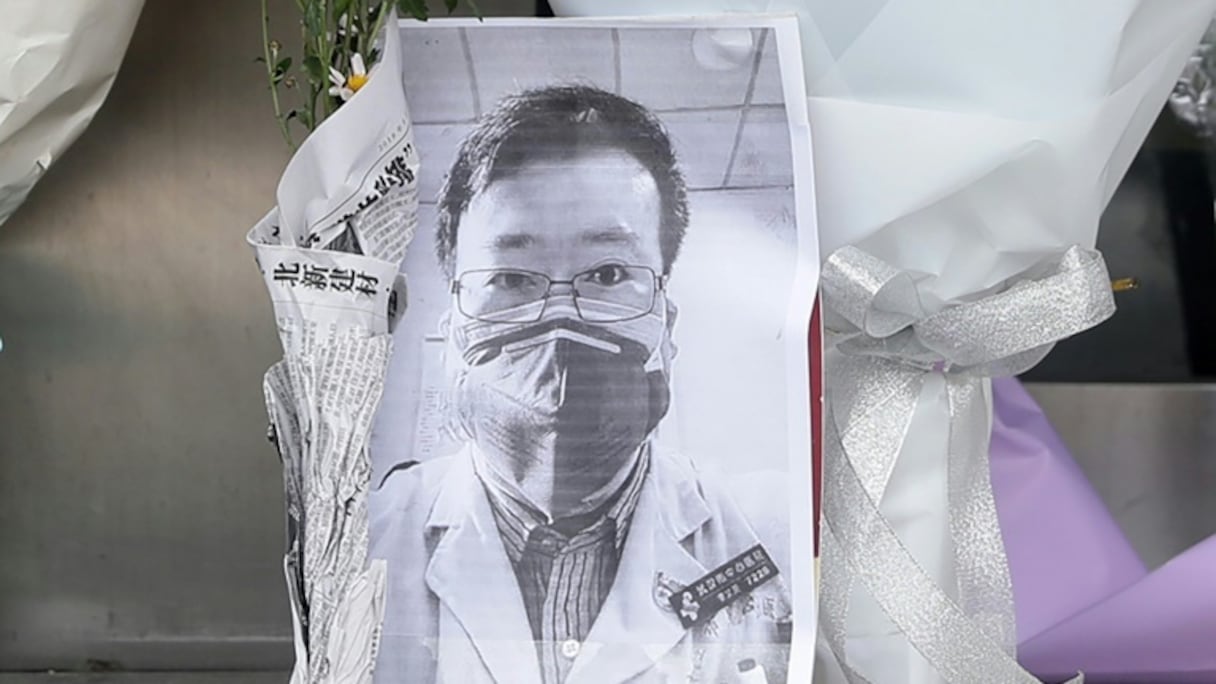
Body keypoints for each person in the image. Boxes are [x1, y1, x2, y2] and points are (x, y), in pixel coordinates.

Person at [370, 84, 792, 684]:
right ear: (453, 331)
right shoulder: (368, 537)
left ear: (665, 322)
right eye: (512, 278)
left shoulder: (772, 534)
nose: (559, 321)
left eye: (608, 273)